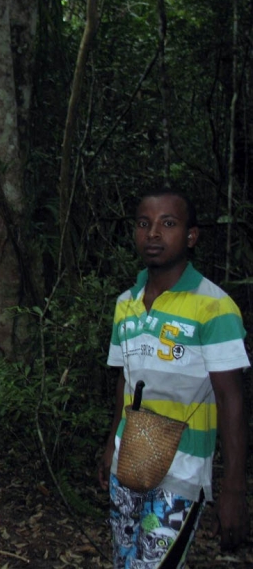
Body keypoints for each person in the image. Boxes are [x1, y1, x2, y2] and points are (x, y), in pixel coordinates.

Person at [98, 188, 249, 568]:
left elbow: (231, 398)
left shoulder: (214, 307)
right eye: (144, 224)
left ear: (191, 236)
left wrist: (233, 486)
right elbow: (125, 382)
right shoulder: (125, 304)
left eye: (168, 224)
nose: (153, 234)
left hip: (181, 476)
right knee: (125, 562)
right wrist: (111, 446)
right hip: (128, 466)